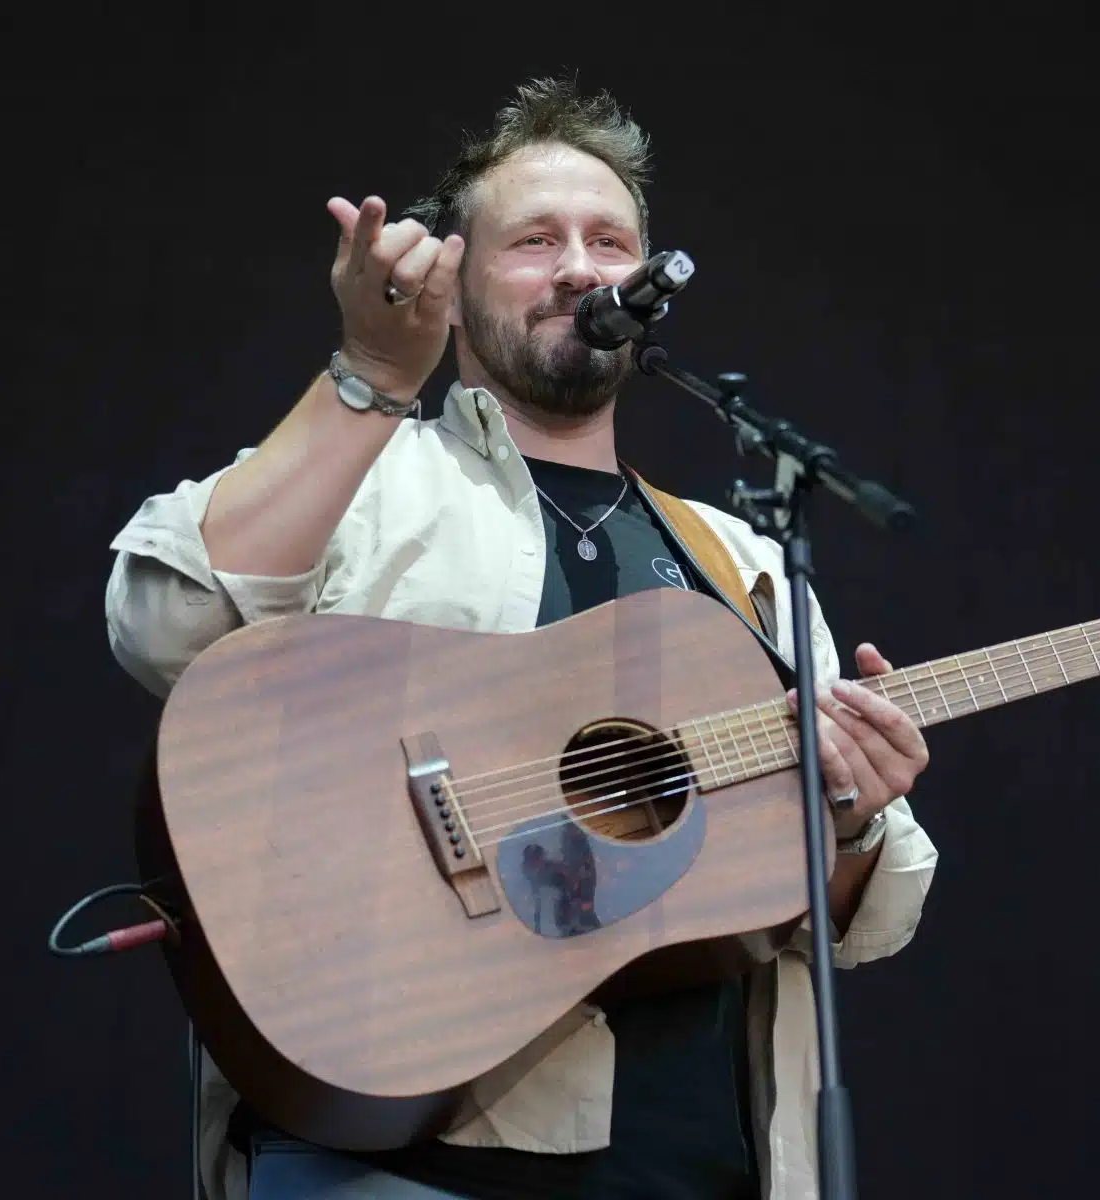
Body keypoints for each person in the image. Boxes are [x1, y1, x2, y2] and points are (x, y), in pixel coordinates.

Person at [105, 77, 940, 1200]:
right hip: (399, 1147)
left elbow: (863, 913)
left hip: (706, 1166)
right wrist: (370, 380)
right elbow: (167, 628)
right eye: (535, 240)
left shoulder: (742, 560)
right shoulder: (371, 481)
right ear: (450, 281)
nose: (582, 270)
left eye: (610, 242)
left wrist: (851, 818)